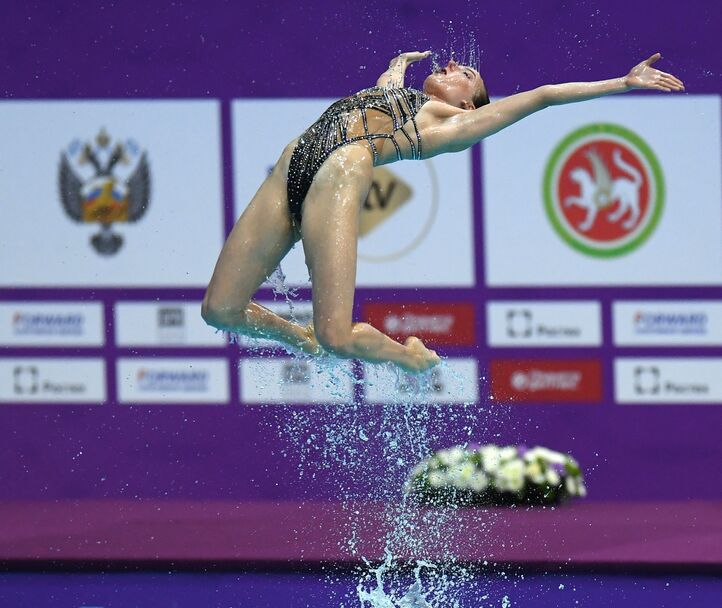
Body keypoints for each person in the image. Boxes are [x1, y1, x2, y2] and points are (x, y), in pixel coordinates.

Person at [202, 53, 683, 371]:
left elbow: (544, 95)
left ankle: (410, 357)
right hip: (293, 162)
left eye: (466, 75)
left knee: (337, 335)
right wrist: (397, 65)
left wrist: (622, 82)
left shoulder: (450, 123)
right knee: (220, 309)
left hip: (339, 169)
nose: (454, 64)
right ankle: (296, 337)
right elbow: (386, 85)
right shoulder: (405, 99)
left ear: (467, 103)